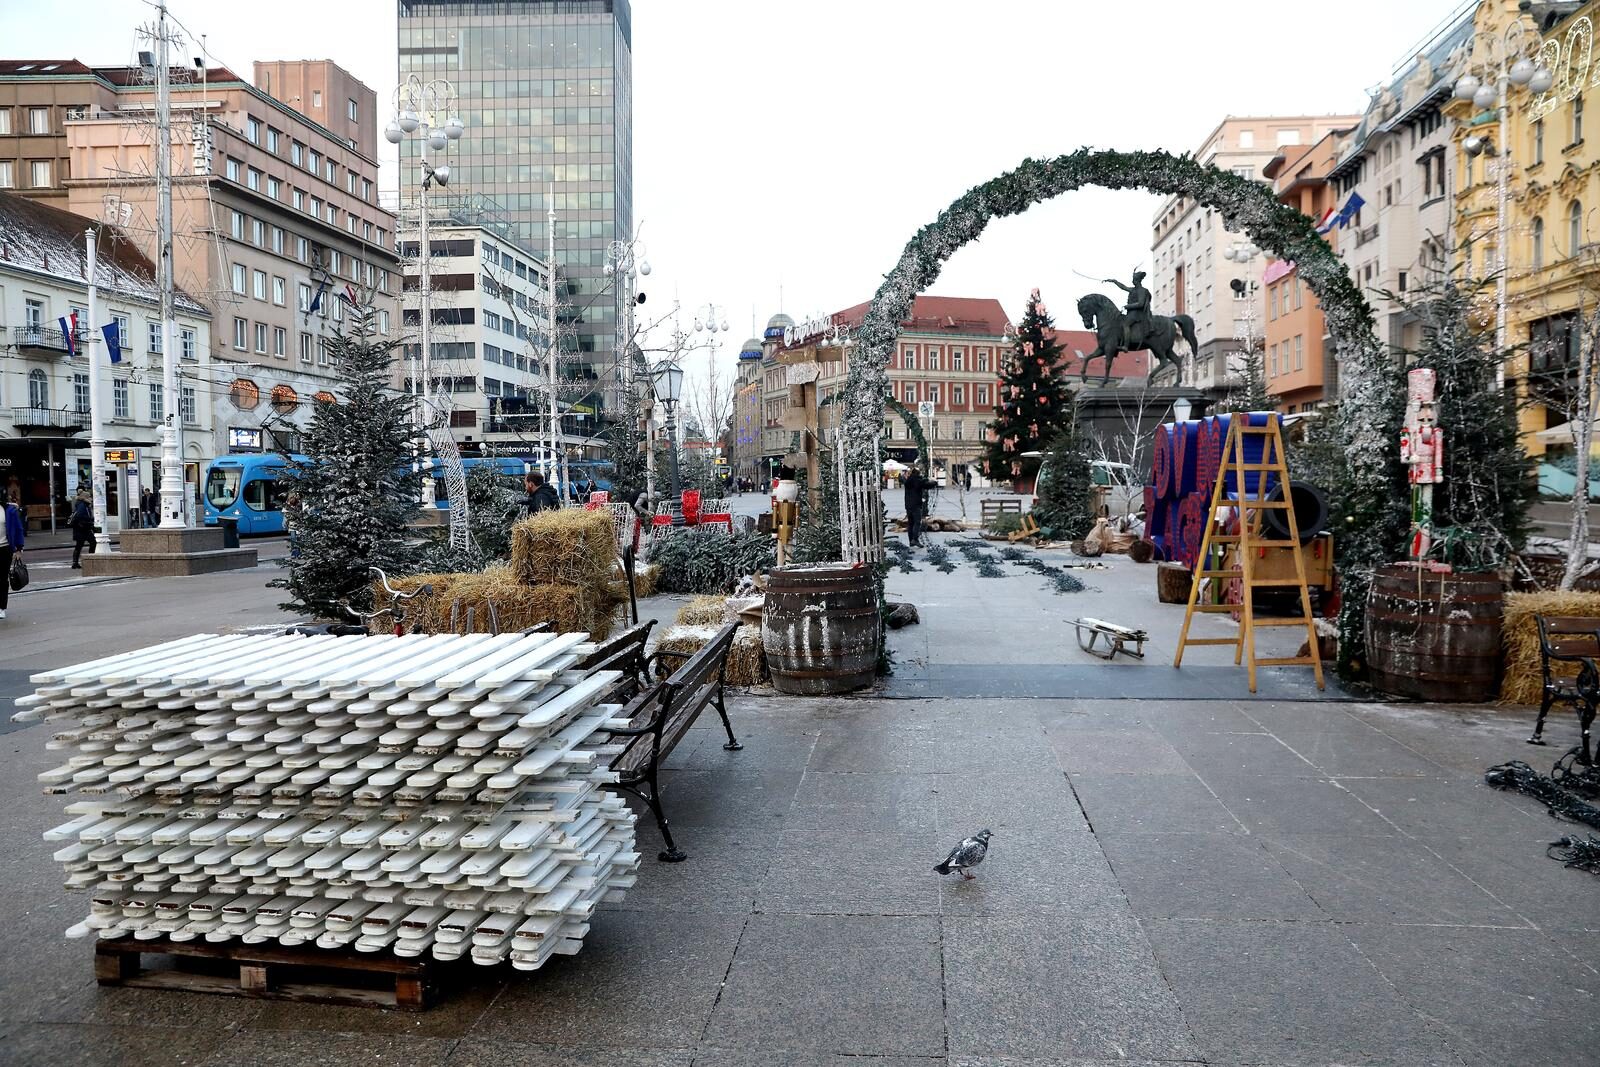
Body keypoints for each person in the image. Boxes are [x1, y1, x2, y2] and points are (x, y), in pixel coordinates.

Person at [1105, 269, 1152, 352]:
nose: (1133, 281)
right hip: (1131, 313)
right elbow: (1123, 287)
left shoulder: (1142, 291)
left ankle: (1126, 346)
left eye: (1134, 280)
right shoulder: (1133, 290)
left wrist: (1128, 306)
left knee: (1125, 324)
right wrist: (1114, 281)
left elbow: (1140, 304)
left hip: (1137, 314)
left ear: (1137, 280)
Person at [1, 494, 23, 621]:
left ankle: (1, 607)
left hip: (4, 549)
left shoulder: (9, 510)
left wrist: (19, 548)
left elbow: (18, 529)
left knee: (2, 579)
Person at [903, 465, 929, 547]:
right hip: (916, 505)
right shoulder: (916, 480)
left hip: (908, 505)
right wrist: (934, 482)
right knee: (917, 522)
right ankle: (915, 540)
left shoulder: (908, 481)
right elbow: (926, 485)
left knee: (910, 523)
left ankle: (911, 541)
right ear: (917, 473)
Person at [69, 492, 95, 569]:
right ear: (85, 498)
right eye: (89, 497)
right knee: (93, 542)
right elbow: (79, 516)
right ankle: (90, 559)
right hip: (83, 528)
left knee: (79, 545)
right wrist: (88, 521)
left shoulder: (83, 504)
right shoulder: (82, 505)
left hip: (81, 528)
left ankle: (75, 563)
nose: (91, 498)